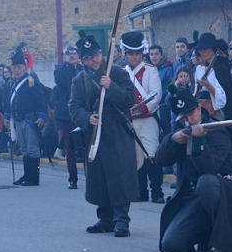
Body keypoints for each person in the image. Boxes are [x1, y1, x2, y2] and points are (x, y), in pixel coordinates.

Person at [155, 84, 232, 252]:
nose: (188, 120)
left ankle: (226, 241)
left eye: (191, 114)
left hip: (224, 195)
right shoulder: (182, 130)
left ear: (199, 108)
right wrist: (172, 141)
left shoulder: (218, 131)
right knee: (171, 245)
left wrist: (198, 141)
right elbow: (160, 160)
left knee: (206, 183)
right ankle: (204, 235)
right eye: (184, 118)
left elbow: (209, 168)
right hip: (193, 199)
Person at [69, 31, 139, 237]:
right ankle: (105, 218)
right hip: (95, 136)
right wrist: (86, 118)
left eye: (97, 55)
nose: (94, 60)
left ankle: (121, 221)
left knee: (119, 178)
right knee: (99, 179)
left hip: (118, 134)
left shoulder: (115, 73)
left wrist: (111, 87)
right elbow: (74, 107)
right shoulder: (78, 81)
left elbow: (130, 99)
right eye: (89, 57)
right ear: (83, 60)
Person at [122, 31, 164, 204]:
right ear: (125, 54)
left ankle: (156, 191)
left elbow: (156, 94)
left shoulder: (150, 70)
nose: (134, 57)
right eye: (131, 53)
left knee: (151, 154)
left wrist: (140, 109)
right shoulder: (121, 72)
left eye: (137, 53)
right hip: (130, 121)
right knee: (136, 156)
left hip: (147, 118)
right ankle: (140, 191)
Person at [4, 45, 48, 186]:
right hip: (17, 121)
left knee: (32, 149)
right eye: (14, 67)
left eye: (19, 67)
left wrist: (42, 115)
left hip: (29, 120)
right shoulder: (13, 84)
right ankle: (27, 174)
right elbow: (10, 101)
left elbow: (41, 100)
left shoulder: (30, 82)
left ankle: (34, 178)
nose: (16, 70)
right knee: (24, 149)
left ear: (24, 68)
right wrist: (6, 115)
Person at [52, 46, 83, 189]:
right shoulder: (61, 70)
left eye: (74, 53)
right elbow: (59, 81)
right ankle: (73, 179)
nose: (72, 56)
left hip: (84, 111)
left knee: (88, 146)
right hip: (68, 113)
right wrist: (66, 63)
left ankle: (92, 177)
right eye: (68, 54)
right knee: (70, 148)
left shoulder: (84, 69)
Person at [190, 32, 230, 121]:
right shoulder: (199, 69)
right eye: (200, 49)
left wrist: (208, 85)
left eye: (205, 48)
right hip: (202, 111)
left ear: (212, 49)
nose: (202, 51)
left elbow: (223, 97)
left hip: (216, 112)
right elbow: (196, 92)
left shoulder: (221, 68)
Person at [149, 44, 174, 141]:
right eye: (152, 54)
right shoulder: (149, 69)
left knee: (165, 132)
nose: (154, 56)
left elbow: (169, 87)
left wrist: (157, 95)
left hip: (163, 105)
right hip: (152, 105)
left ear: (161, 55)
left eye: (156, 54)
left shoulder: (168, 69)